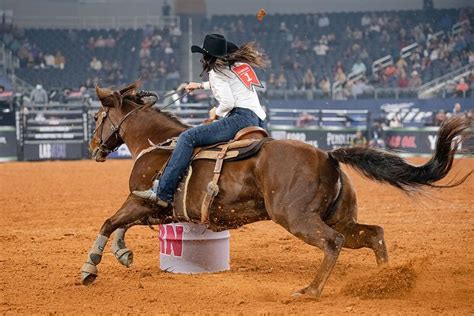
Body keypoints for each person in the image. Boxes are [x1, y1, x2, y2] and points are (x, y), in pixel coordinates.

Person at [133, 34, 267, 207]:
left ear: (208, 56)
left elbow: (228, 102)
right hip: (258, 119)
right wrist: (200, 85)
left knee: (187, 138)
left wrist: (216, 112)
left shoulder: (216, 73)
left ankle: (163, 193)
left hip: (239, 118)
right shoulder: (240, 66)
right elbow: (230, 82)